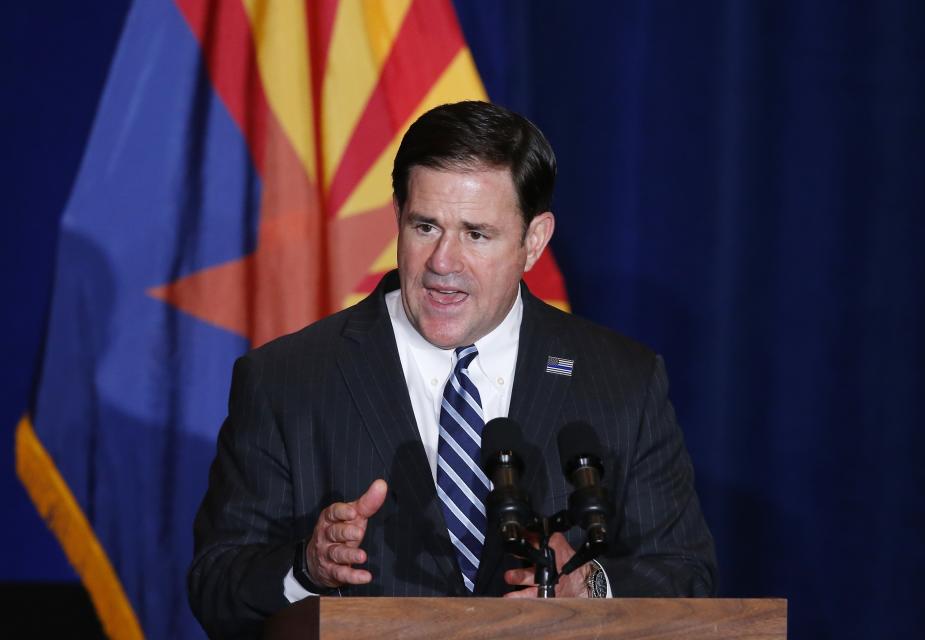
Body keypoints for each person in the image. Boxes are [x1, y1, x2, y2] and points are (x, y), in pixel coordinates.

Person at [188, 101, 716, 638]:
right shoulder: (287, 379)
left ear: (533, 241)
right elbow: (215, 584)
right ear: (398, 216)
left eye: (476, 234)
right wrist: (306, 566)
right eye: (425, 227)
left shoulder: (623, 380)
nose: (443, 262)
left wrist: (595, 588)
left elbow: (686, 573)